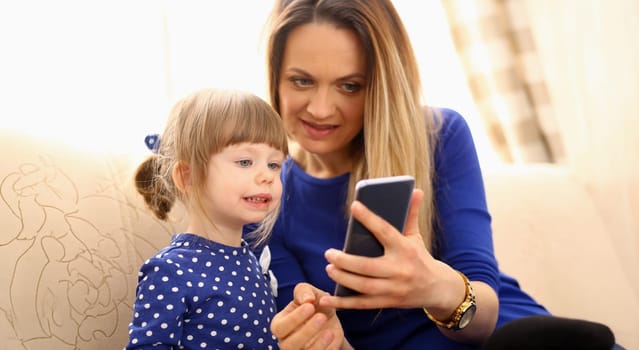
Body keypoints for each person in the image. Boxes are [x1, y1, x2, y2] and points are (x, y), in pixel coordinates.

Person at [255, 1, 618, 349]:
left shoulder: (439, 136)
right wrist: (319, 337)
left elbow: (485, 314)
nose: (320, 109)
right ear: (276, 78)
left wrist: (434, 287)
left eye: (350, 86)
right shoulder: (261, 194)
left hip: (514, 336)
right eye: (302, 81)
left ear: (380, 86)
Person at [125, 88, 288, 350]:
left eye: (274, 164)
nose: (267, 176)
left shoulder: (251, 262)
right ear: (188, 177)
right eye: (246, 161)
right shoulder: (170, 271)